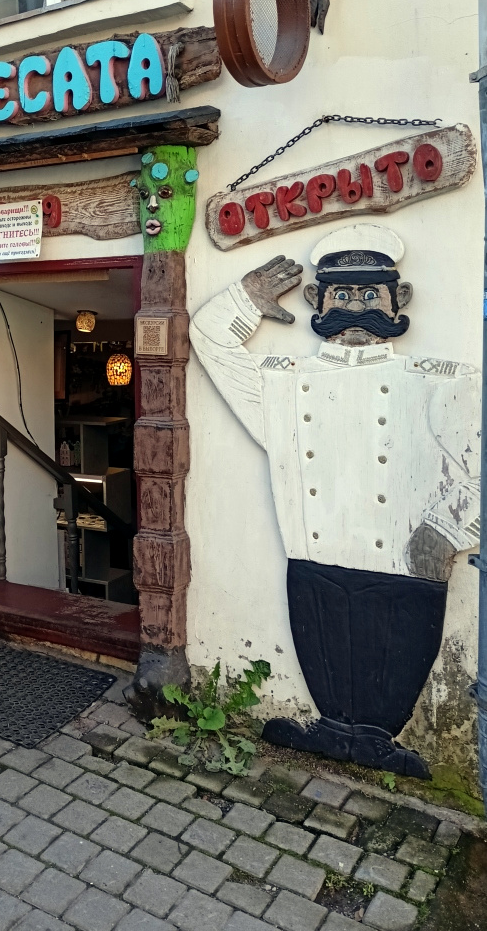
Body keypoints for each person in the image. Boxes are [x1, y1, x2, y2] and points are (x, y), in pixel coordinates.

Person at [190, 224, 480, 777]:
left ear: (400, 298)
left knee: (390, 652)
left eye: (371, 295)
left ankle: (378, 739)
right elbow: (211, 342)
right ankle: (331, 727)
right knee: (324, 637)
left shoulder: (438, 381)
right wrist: (246, 300)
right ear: (315, 300)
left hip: (403, 563)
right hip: (313, 555)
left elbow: (479, 466)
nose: (356, 309)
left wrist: (445, 531)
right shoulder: (284, 381)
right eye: (341, 295)